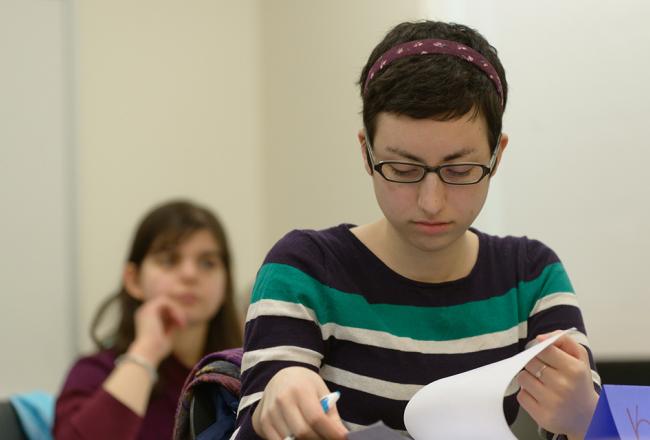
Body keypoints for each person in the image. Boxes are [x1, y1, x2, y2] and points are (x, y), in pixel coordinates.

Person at [234, 20, 601, 440]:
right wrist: (273, 407)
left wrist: (584, 419)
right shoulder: (305, 270)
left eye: (459, 170)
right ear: (366, 153)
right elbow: (255, 421)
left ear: (496, 155)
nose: (431, 201)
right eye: (403, 169)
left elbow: (587, 420)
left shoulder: (531, 278)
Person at [54, 199, 243, 440]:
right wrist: (146, 352)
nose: (190, 274)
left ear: (225, 280)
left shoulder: (246, 373)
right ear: (133, 280)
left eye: (207, 263)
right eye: (169, 260)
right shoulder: (94, 373)